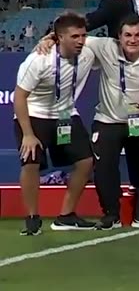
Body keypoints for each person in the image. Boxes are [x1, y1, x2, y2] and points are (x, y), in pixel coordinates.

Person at [33, 15, 139, 230]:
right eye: (127, 35)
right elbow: (69, 38)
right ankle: (110, 215)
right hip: (108, 120)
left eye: (138, 35)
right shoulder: (104, 46)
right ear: (118, 37)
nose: (132, 40)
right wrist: (49, 39)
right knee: (104, 167)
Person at [12, 13, 97, 234]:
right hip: (34, 113)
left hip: (65, 114)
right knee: (30, 161)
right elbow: (19, 96)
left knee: (86, 161)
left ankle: (66, 215)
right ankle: (32, 217)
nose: (80, 41)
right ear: (60, 37)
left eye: (83, 36)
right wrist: (28, 134)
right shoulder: (39, 59)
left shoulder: (88, 52)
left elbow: (127, 41)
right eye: (75, 36)